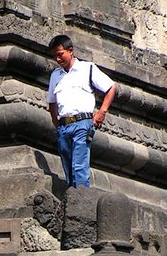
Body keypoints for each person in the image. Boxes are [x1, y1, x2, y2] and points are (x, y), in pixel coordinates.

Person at [47, 33, 117, 188]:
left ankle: (82, 197)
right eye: (55, 57)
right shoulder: (55, 75)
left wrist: (101, 112)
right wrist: (55, 122)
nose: (58, 60)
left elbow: (111, 87)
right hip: (64, 124)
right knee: (68, 164)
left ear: (70, 51)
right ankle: (73, 196)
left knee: (79, 164)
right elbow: (52, 101)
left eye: (60, 55)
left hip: (83, 122)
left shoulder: (87, 68)